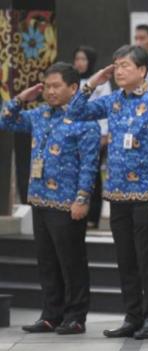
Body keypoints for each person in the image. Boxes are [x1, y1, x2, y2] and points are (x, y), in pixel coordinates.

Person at [67, 45, 148, 340]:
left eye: (125, 66)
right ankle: (133, 316)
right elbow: (75, 111)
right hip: (117, 194)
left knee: (147, 260)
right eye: (115, 65)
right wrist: (92, 83)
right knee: (125, 259)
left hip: (145, 194)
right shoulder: (113, 101)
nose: (118, 71)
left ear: (142, 71)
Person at [0, 62, 100, 335]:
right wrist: (22, 98)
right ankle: (51, 314)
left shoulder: (86, 122)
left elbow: (89, 165)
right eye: (48, 86)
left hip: (67, 202)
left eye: (57, 86)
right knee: (47, 261)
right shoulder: (40, 113)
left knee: (72, 261)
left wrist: (82, 198)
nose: (51, 91)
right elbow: (5, 119)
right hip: (40, 199)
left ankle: (76, 316)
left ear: (74, 88)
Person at [73, 45, 112, 229]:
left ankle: (93, 215)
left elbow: (105, 111)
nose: (79, 63)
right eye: (77, 59)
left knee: (93, 174)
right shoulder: (71, 80)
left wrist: (104, 134)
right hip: (74, 134)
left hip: (95, 133)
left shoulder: (100, 82)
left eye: (83, 59)